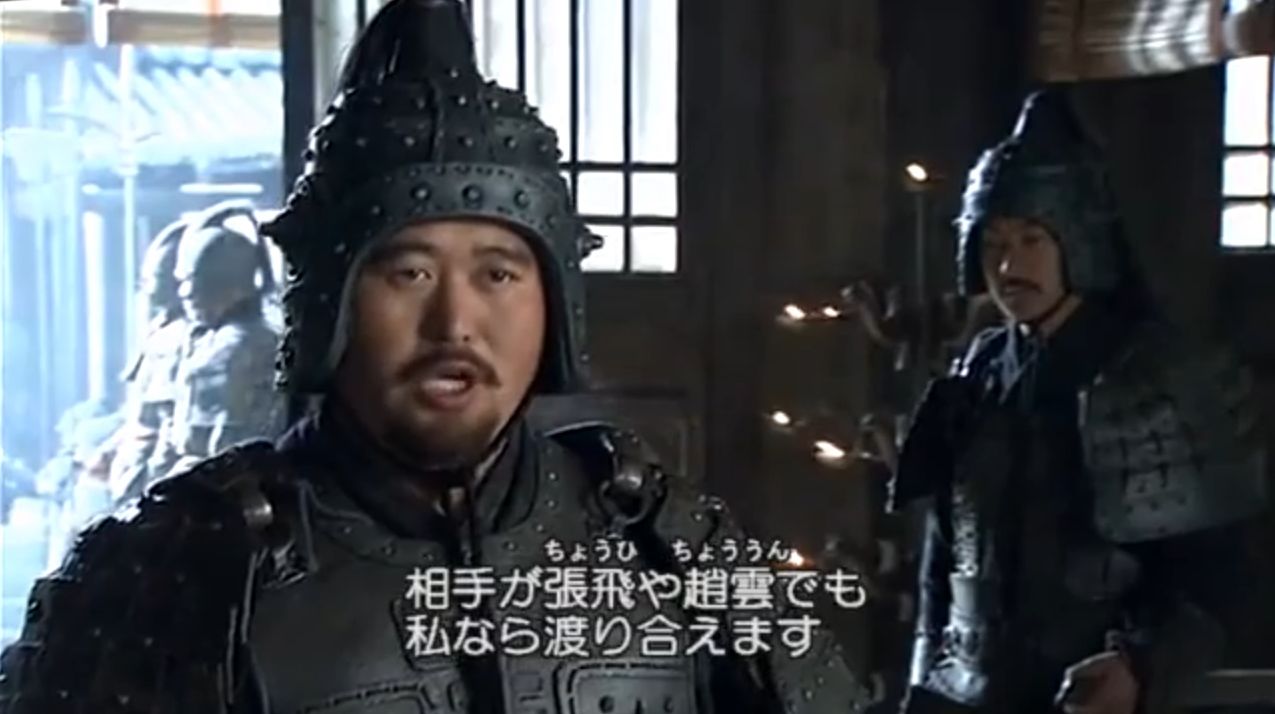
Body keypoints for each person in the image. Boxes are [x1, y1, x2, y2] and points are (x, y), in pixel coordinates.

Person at [0, 2, 870, 712]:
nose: (456, 322)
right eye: (408, 272)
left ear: (554, 302)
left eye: (499, 273)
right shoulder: (183, 566)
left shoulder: (666, 542)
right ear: (331, 299)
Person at [890, 90, 1266, 714]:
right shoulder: (977, 372)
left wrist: (1141, 664)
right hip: (971, 693)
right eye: (994, 244)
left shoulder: (1154, 374)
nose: (1008, 266)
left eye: (1031, 240)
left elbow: (1220, 580)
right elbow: (944, 558)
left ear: (1078, 242)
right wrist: (924, 686)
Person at [147, 199, 285, 482]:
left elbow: (217, 447)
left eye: (196, 283)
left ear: (231, 285)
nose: (186, 295)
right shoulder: (219, 341)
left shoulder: (234, 349)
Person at [102, 217, 190, 503]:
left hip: (151, 479)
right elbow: (139, 414)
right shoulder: (161, 331)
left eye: (156, 278)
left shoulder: (178, 339)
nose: (149, 288)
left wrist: (151, 480)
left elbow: (166, 423)